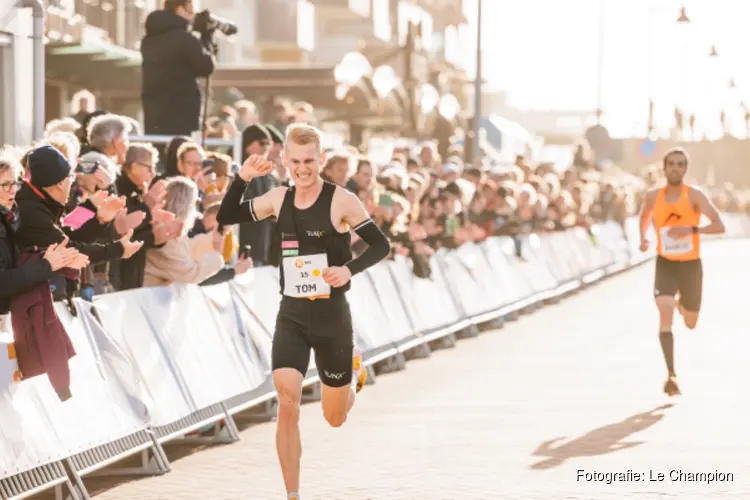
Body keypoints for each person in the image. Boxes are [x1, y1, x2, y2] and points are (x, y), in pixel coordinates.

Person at [216, 123, 391, 500]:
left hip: (332, 319)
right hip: (292, 316)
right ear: (284, 160)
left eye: (309, 160)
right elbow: (227, 216)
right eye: (294, 161)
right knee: (287, 402)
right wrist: (242, 176)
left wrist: (348, 269)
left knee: (335, 417)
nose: (302, 168)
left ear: (321, 159)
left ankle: (352, 372)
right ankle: (292, 494)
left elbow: (380, 245)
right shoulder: (279, 199)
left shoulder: (342, 200)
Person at [638, 148, 725, 396]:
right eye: (671, 164)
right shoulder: (653, 196)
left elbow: (719, 225)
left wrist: (692, 230)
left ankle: (682, 304)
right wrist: (642, 238)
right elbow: (644, 217)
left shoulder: (695, 196)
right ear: (664, 168)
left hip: (690, 266)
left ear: (685, 169)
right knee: (664, 311)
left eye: (680, 164)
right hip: (666, 262)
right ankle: (671, 375)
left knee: (690, 322)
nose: (676, 168)